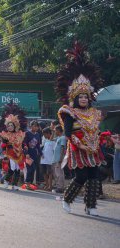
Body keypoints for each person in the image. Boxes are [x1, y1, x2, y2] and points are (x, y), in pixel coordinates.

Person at [56, 41, 104, 216]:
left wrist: (104, 137)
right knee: (81, 177)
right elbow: (68, 134)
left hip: (93, 148)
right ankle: (67, 199)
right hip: (78, 148)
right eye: (80, 96)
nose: (83, 99)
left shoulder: (94, 112)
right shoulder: (70, 112)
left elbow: (97, 131)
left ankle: (91, 206)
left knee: (94, 177)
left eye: (86, 96)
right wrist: (80, 145)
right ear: (75, 98)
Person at [0, 102, 27, 190]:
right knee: (12, 169)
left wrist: (25, 146)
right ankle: (7, 181)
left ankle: (15, 185)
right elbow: (3, 145)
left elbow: (23, 142)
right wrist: (4, 152)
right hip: (10, 153)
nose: (10, 127)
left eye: (11, 125)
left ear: (15, 126)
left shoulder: (20, 134)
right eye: (8, 125)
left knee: (18, 170)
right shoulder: (5, 135)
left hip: (19, 153)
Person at [23, 120, 42, 190]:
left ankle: (30, 184)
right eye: (34, 126)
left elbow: (38, 146)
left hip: (34, 154)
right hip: (28, 154)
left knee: (34, 169)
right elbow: (24, 144)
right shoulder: (27, 133)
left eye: (37, 126)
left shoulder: (37, 135)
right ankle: (27, 183)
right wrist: (26, 153)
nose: (36, 128)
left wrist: (41, 153)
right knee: (29, 169)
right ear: (31, 126)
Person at [52, 125, 66, 193]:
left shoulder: (62, 138)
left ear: (58, 130)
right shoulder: (58, 138)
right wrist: (52, 131)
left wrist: (60, 158)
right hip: (56, 159)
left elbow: (63, 148)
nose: (55, 131)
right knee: (58, 173)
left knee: (59, 173)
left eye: (55, 130)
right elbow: (50, 139)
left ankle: (60, 187)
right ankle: (59, 186)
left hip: (59, 158)